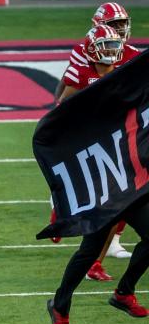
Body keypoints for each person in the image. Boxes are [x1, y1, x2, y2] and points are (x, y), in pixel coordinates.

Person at [53, 4, 141, 262]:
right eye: (114, 25)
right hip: (90, 130)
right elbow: (68, 88)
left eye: (122, 24)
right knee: (98, 184)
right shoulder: (85, 53)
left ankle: (111, 242)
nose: (119, 31)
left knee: (126, 184)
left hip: (119, 129)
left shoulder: (133, 54)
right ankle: (65, 214)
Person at [48, 26, 128, 294]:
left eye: (113, 45)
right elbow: (61, 107)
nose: (111, 51)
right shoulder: (82, 71)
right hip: (87, 145)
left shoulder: (123, 69)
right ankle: (61, 213)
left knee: (116, 203)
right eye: (104, 45)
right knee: (93, 198)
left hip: (114, 142)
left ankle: (95, 261)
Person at [47, 196, 149, 324]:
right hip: (102, 195)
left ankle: (124, 292)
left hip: (129, 191)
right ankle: (59, 306)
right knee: (90, 251)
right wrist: (61, 206)